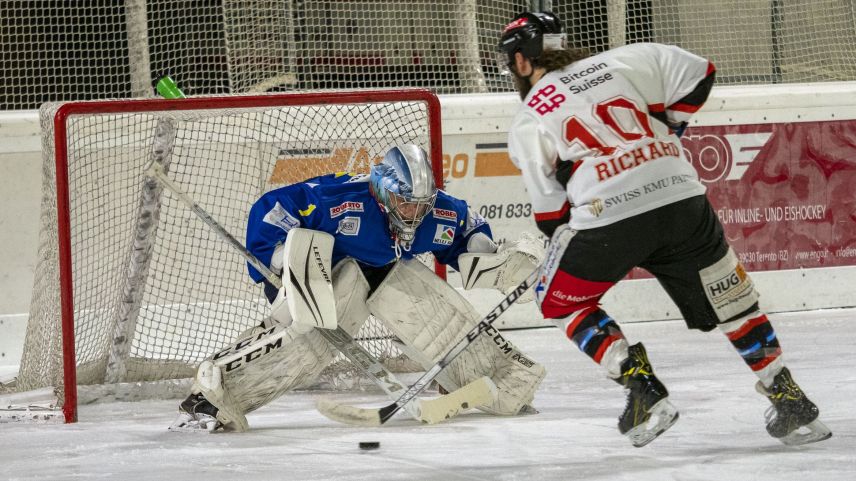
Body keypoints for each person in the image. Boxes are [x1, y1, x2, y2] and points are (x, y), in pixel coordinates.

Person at [498, 11, 831, 447]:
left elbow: (549, 215)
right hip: (681, 199)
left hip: (607, 214)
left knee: (558, 302)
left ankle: (642, 389)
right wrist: (670, 128)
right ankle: (788, 399)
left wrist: (571, 241)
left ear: (522, 62)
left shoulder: (528, 117)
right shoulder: (621, 61)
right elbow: (701, 72)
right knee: (731, 301)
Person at [170, 144, 546, 431]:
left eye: (420, 204)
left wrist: (495, 258)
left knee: (422, 300)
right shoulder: (339, 200)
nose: (414, 213)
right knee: (309, 342)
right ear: (383, 191)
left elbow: (467, 228)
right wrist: (280, 257)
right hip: (323, 277)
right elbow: (272, 207)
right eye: (404, 202)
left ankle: (498, 378)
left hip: (383, 271)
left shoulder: (439, 211)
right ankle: (215, 393)